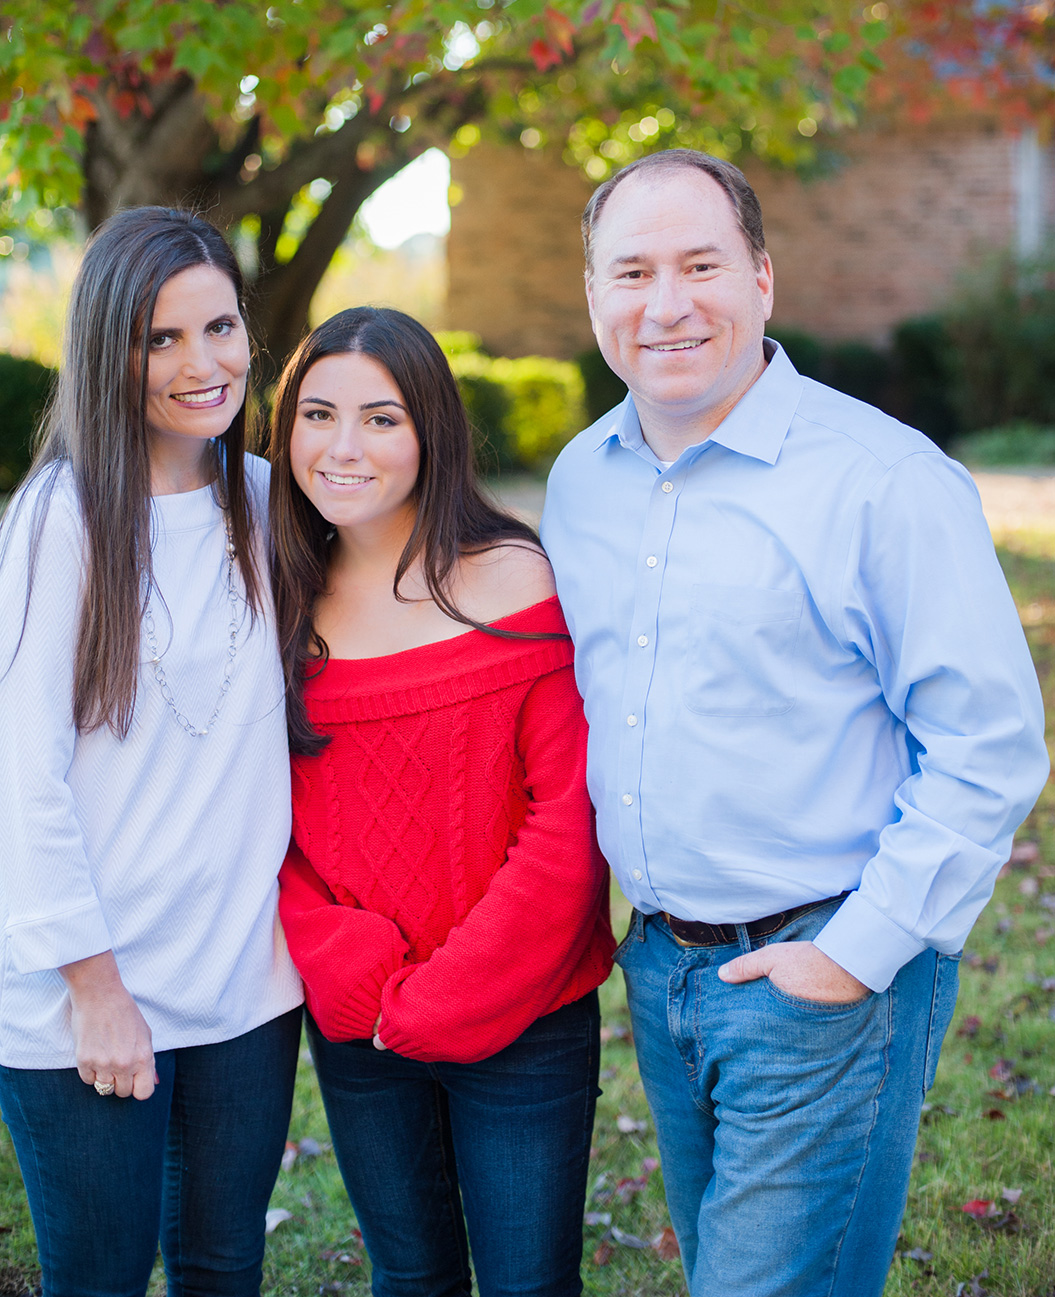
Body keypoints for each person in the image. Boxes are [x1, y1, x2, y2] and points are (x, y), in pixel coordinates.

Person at [540, 149, 1049, 1297]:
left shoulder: (880, 479)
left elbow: (987, 743)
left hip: (824, 971)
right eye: (629, 271)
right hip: (662, 963)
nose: (663, 304)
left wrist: (853, 954)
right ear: (592, 297)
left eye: (699, 264)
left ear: (761, 278)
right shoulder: (580, 481)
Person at [268, 306, 613, 1297]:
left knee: (525, 1282)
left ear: (431, 429)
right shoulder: (283, 600)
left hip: (521, 1018)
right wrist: (343, 964)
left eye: (380, 418)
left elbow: (566, 822)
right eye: (317, 414)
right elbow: (260, 816)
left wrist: (451, 994)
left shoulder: (513, 581)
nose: (343, 446)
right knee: (409, 1274)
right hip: (362, 1021)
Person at [0, 207, 303, 1297]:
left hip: (246, 986)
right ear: (108, 351)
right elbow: (18, 780)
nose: (200, 364)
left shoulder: (269, 502)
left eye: (218, 327)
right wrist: (94, 987)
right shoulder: (61, 519)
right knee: (102, 1276)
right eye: (160, 339)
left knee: (226, 1265)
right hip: (91, 990)